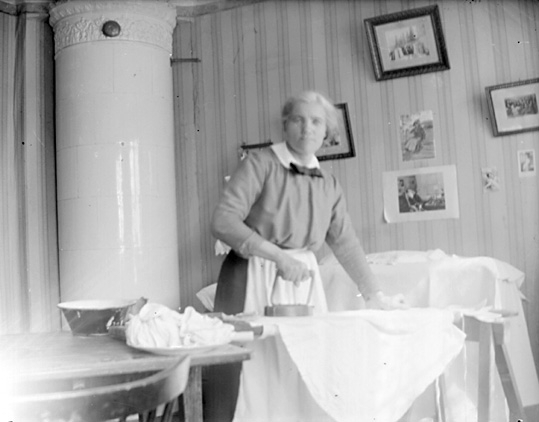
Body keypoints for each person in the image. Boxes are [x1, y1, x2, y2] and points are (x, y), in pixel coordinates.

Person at [204, 90, 407, 422]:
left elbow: (345, 243)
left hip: (302, 285)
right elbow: (223, 221)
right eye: (298, 119)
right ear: (285, 125)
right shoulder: (259, 164)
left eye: (316, 122)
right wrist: (277, 256)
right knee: (251, 374)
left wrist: (374, 294)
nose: (307, 128)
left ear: (327, 132)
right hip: (250, 275)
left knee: (303, 372)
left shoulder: (328, 183)